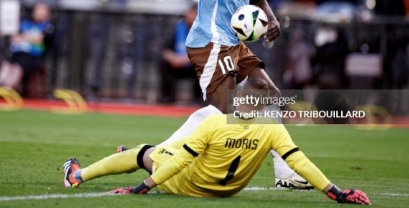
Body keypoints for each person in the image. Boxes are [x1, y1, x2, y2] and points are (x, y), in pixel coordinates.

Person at [132, 0, 307, 189]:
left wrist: (271, 19)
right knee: (220, 116)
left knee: (266, 91)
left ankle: (285, 173)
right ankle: (150, 155)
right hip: (210, 42)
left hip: (234, 43)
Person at [61, 78, 371, 205]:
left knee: (145, 153)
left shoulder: (216, 122)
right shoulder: (272, 128)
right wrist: (338, 193)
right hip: (227, 191)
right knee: (176, 149)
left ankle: (76, 175)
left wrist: (140, 188)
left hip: (192, 184)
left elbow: (182, 162)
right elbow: (299, 161)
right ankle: (132, 156)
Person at [0, 3, 54, 93]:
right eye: (37, 10)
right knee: (6, 63)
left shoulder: (48, 26)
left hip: (34, 57)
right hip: (17, 53)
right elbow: (13, 38)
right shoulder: (26, 23)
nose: (38, 13)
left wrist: (23, 37)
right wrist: (30, 37)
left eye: (42, 10)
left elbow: (40, 39)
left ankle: (8, 88)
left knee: (19, 66)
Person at [160, 5, 201, 103]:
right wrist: (173, 58)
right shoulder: (176, 28)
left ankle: (197, 99)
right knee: (163, 64)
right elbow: (164, 50)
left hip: (192, 66)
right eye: (192, 13)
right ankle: (167, 98)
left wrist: (185, 60)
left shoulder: (203, 32)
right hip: (176, 65)